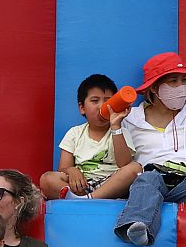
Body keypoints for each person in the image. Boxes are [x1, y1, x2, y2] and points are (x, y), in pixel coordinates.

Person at [112, 52, 186, 246]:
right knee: (148, 179)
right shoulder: (130, 118)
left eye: (184, 80)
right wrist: (116, 127)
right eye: (173, 81)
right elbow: (123, 164)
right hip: (150, 178)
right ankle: (136, 227)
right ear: (154, 88)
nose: (181, 87)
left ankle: (150, 204)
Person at [39, 73, 142, 201]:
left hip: (111, 186)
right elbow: (63, 168)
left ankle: (90, 199)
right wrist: (72, 171)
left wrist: (116, 126)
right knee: (47, 179)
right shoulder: (74, 133)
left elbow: (124, 164)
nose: (102, 106)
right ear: (82, 108)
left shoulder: (120, 131)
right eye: (94, 101)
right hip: (81, 185)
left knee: (135, 168)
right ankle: (81, 198)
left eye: (108, 101)